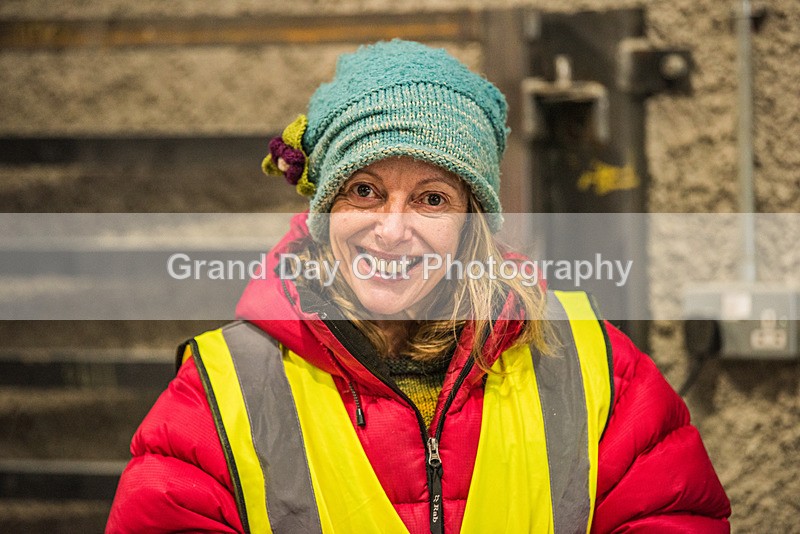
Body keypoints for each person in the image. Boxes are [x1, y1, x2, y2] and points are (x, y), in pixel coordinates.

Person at [107, 40, 730, 533]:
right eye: (365, 191)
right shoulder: (226, 388)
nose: (392, 230)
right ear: (326, 212)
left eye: (432, 199)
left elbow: (672, 515)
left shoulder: (588, 363)